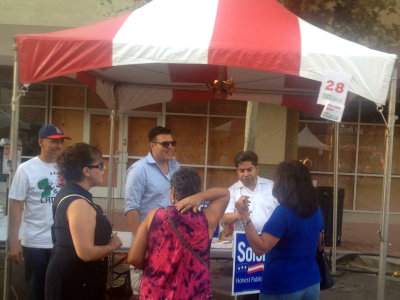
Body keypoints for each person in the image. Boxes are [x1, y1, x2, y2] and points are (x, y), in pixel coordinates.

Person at [128, 167, 229, 300]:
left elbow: (133, 258)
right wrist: (200, 197)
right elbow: (225, 193)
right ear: (196, 192)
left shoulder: (154, 216)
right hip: (194, 294)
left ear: (173, 192)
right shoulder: (206, 219)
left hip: (156, 293)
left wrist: (155, 266)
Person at [236, 161, 324, 300]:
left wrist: (244, 215)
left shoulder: (284, 212)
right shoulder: (316, 209)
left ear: (283, 184)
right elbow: (319, 243)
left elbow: (260, 248)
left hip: (283, 285)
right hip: (311, 281)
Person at [45, 143, 122, 300]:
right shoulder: (78, 202)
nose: (104, 169)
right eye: (100, 165)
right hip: (75, 282)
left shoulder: (74, 194)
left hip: (74, 277)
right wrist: (112, 245)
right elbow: (85, 253)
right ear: (86, 171)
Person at [8, 124, 69, 300]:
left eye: (61, 142)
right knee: (37, 291)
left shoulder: (66, 168)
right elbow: (16, 205)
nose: (58, 146)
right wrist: (13, 242)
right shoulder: (26, 169)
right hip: (35, 243)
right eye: (54, 141)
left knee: (59, 292)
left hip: (63, 242)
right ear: (41, 142)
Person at [124, 126, 180, 295]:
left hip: (173, 242)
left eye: (172, 143)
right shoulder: (139, 170)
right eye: (165, 144)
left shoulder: (177, 167)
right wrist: (141, 243)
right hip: (149, 239)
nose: (170, 147)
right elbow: (131, 208)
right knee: (145, 290)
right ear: (152, 146)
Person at [223, 151, 279, 234]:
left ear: (257, 169)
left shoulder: (272, 186)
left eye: (249, 170)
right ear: (237, 171)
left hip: (270, 238)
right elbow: (225, 219)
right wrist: (239, 214)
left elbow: (283, 212)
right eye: (242, 170)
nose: (246, 174)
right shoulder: (231, 191)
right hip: (243, 240)